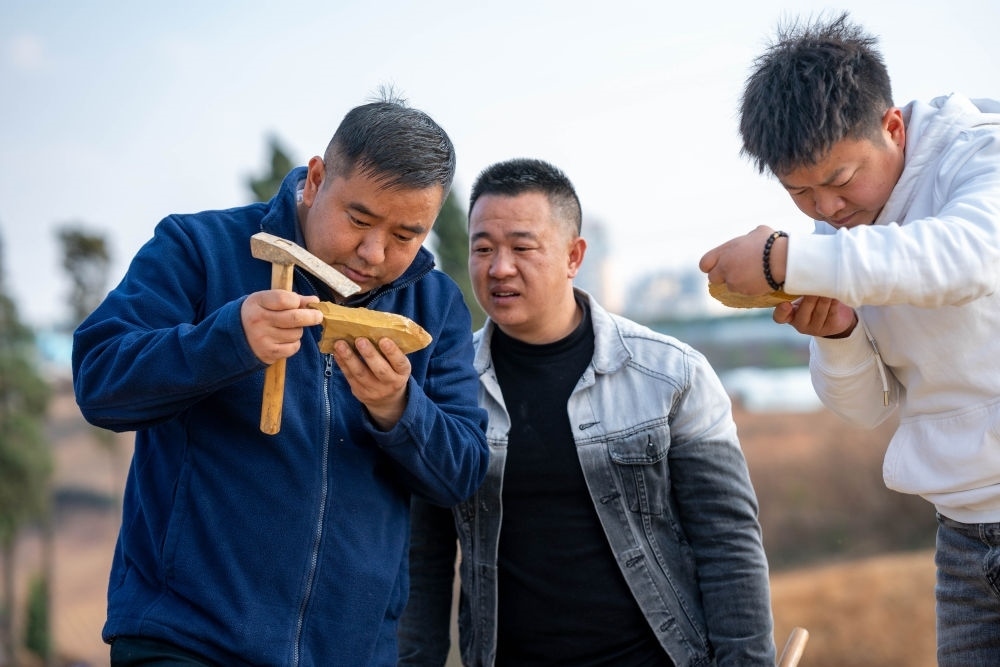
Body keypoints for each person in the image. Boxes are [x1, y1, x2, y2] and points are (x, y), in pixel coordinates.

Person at [71, 95, 490, 666]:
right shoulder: (200, 248)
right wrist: (227, 340)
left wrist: (398, 407)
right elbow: (99, 381)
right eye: (359, 220)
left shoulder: (435, 306)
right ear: (316, 179)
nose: (372, 253)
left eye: (405, 235)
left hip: (353, 654)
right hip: (186, 641)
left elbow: (461, 473)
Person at [698, 12, 1000, 666]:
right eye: (799, 193)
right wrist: (839, 334)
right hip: (962, 535)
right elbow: (866, 409)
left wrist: (783, 258)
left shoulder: (980, 153)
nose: (827, 210)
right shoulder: (841, 239)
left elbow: (970, 259)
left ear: (892, 127)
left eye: (839, 181)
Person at [399, 158, 775, 666]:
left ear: (573, 256)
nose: (499, 268)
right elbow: (423, 560)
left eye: (522, 248)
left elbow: (728, 543)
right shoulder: (443, 385)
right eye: (482, 248)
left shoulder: (671, 375)